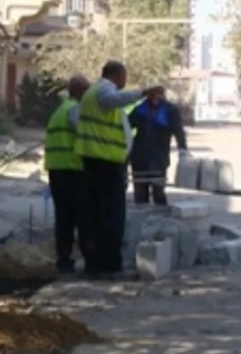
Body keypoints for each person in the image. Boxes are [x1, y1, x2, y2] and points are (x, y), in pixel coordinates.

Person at [74, 60, 147, 276]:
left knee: (94, 215)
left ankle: (95, 263)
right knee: (111, 216)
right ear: (117, 75)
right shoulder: (104, 91)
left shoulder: (91, 94)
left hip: (95, 161)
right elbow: (114, 99)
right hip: (105, 163)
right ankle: (109, 263)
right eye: (124, 76)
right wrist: (142, 92)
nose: (125, 80)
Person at [44, 74, 90, 275]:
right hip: (73, 170)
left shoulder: (59, 110)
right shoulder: (74, 110)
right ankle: (88, 258)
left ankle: (64, 259)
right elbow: (85, 134)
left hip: (56, 169)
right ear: (80, 91)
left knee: (63, 217)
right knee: (81, 216)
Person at [128, 86, 187, 206]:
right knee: (140, 194)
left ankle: (161, 220)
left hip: (159, 158)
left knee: (158, 192)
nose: (156, 96)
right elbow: (127, 125)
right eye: (153, 93)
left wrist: (182, 148)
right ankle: (141, 220)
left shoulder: (170, 110)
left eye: (159, 93)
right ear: (148, 94)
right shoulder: (140, 109)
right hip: (139, 158)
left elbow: (178, 130)